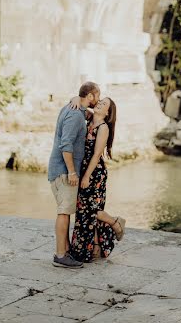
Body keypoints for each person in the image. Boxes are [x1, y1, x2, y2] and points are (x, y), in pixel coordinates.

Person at [48, 81, 100, 268]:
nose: (99, 99)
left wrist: (76, 98)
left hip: (60, 170)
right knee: (64, 212)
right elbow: (66, 145)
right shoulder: (75, 115)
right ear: (91, 96)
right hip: (63, 171)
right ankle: (60, 255)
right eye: (98, 95)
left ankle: (65, 251)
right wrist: (71, 171)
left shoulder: (75, 109)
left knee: (66, 211)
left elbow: (89, 114)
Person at [70, 97, 126, 262]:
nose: (100, 104)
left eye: (104, 104)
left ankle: (115, 222)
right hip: (84, 169)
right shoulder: (89, 119)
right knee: (83, 210)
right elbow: (78, 102)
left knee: (90, 210)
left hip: (95, 173)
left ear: (108, 112)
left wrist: (86, 176)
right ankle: (94, 248)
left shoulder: (103, 128)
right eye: (100, 102)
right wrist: (75, 98)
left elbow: (96, 155)